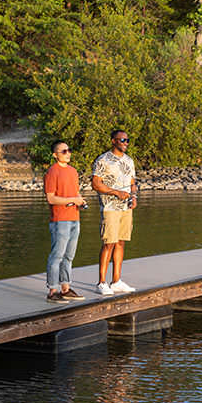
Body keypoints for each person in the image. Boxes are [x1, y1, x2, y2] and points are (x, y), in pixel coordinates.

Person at [92, 129, 137, 295]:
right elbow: (96, 184)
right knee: (108, 243)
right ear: (113, 141)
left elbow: (132, 182)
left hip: (126, 207)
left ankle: (116, 281)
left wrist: (134, 196)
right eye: (122, 140)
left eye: (127, 140)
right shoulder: (103, 160)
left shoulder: (129, 161)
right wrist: (116, 192)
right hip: (110, 207)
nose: (125, 143)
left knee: (121, 242)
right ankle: (101, 282)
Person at [44, 140, 87, 303]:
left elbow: (75, 193)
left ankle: (65, 289)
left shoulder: (73, 171)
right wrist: (72, 200)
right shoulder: (52, 172)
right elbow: (51, 198)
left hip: (74, 218)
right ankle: (52, 290)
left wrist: (79, 201)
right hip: (60, 220)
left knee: (69, 256)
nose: (68, 153)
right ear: (55, 155)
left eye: (69, 150)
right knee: (57, 256)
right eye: (63, 151)